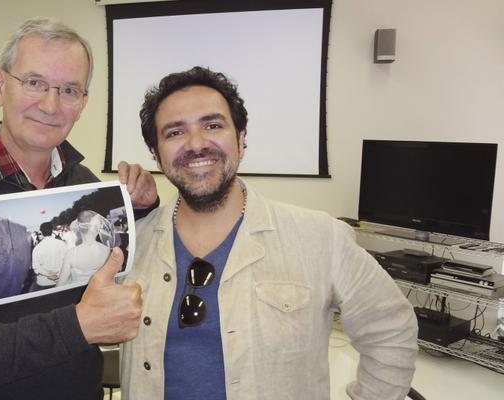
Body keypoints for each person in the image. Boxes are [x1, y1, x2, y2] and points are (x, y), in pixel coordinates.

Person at [121, 66, 418, 399]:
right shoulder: (134, 246)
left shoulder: (319, 237)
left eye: (213, 125)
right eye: (175, 132)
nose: (196, 144)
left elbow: (391, 330)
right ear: (156, 154)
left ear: (241, 139)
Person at [0, 18, 156, 399]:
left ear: (82, 103)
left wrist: (143, 207)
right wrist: (79, 326)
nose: (50, 105)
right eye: (34, 82)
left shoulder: (85, 186)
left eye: (69, 89)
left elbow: (110, 278)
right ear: (0, 86)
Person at [58, 210, 113, 286]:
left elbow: (60, 284)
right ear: (97, 227)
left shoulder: (71, 254)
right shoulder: (106, 250)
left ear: (78, 228)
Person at [30, 221, 67, 291]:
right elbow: (67, 261)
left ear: (41, 232)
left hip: (44, 282)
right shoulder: (62, 244)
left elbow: (36, 268)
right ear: (52, 231)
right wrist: (58, 274)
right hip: (61, 280)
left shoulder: (37, 248)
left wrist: (48, 274)